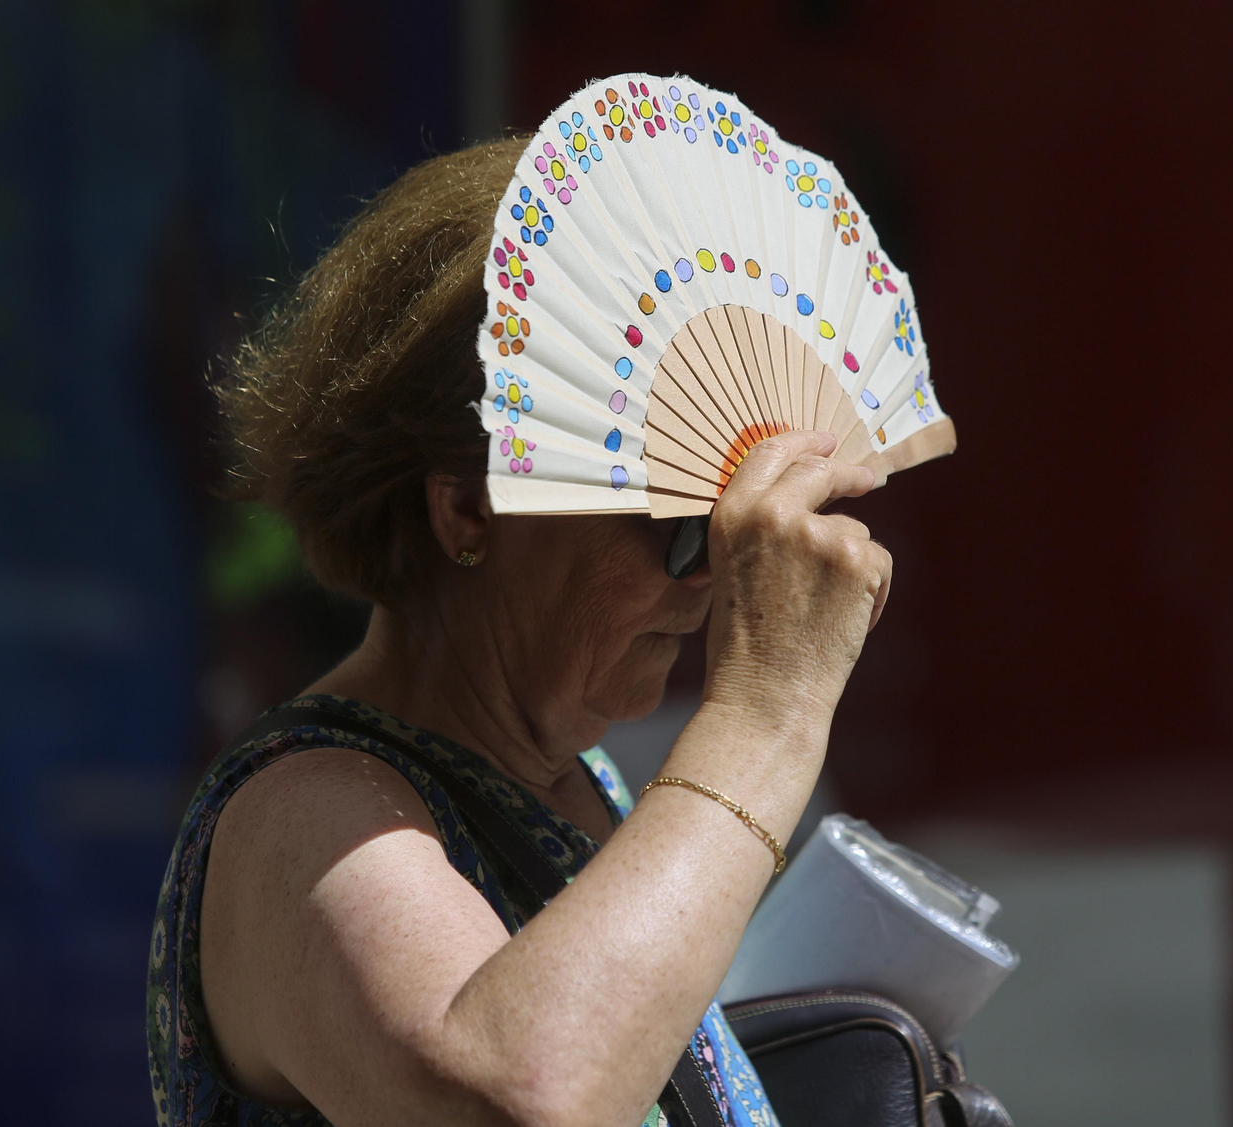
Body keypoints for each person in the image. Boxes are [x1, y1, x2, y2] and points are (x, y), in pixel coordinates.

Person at [146, 137, 893, 1127]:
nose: (715, 576)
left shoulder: (584, 783)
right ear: (467, 511)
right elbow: (523, 1098)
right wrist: (769, 712)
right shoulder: (306, 813)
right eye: (676, 518)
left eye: (730, 522)